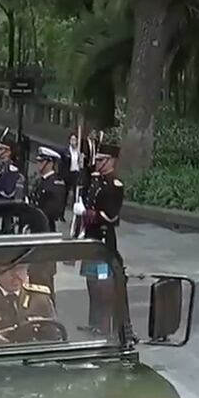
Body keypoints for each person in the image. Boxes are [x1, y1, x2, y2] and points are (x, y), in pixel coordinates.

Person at [73, 143, 124, 335]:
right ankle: (93, 323)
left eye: (101, 160)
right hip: (90, 239)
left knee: (103, 287)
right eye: (97, 159)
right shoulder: (95, 181)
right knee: (92, 284)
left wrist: (87, 213)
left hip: (103, 241)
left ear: (111, 161)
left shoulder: (114, 185)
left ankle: (103, 326)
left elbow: (111, 216)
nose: (97, 163)